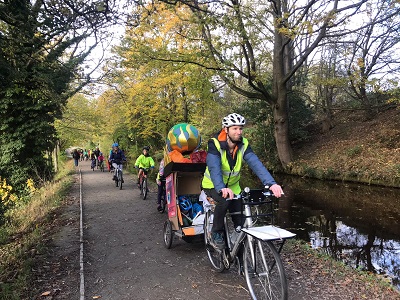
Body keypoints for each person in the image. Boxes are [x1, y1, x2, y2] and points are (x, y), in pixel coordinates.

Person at [201, 113, 284, 249]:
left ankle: (241, 263)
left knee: (241, 226)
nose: (239, 132)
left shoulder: (243, 144)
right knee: (224, 200)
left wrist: (271, 183)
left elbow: (256, 164)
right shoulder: (214, 143)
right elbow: (214, 167)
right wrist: (221, 188)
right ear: (226, 130)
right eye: (235, 128)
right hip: (213, 185)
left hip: (234, 187)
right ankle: (216, 233)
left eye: (240, 128)